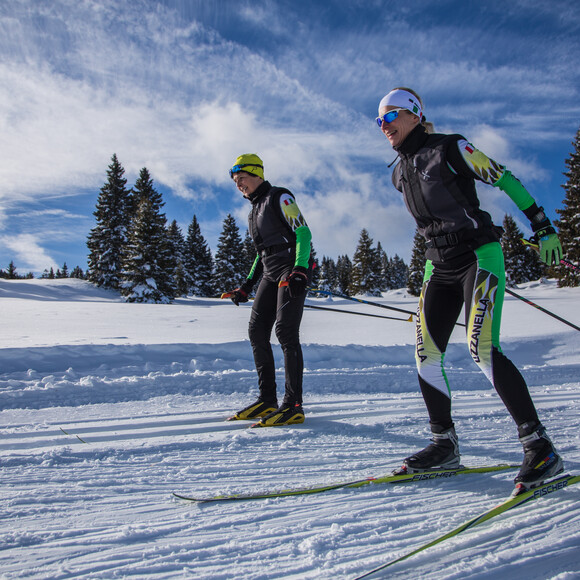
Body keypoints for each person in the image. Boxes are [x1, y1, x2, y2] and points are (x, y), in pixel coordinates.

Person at [376, 87, 564, 490]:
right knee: (426, 355)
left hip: (478, 256)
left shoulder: (450, 148)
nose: (384, 126)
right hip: (437, 267)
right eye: (379, 121)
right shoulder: (398, 172)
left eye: (390, 117)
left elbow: (502, 176)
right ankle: (444, 445)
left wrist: (542, 224)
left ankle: (539, 446)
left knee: (481, 349)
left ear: (413, 114)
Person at [225, 153, 313, 427]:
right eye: (235, 181)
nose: (239, 184)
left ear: (257, 174)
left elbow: (303, 233)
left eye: (243, 178)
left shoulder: (280, 197)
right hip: (271, 271)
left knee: (286, 332)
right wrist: (246, 286)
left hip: (291, 269)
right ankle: (267, 399)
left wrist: (299, 269)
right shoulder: (254, 210)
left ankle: (293, 404)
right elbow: (261, 254)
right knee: (256, 331)